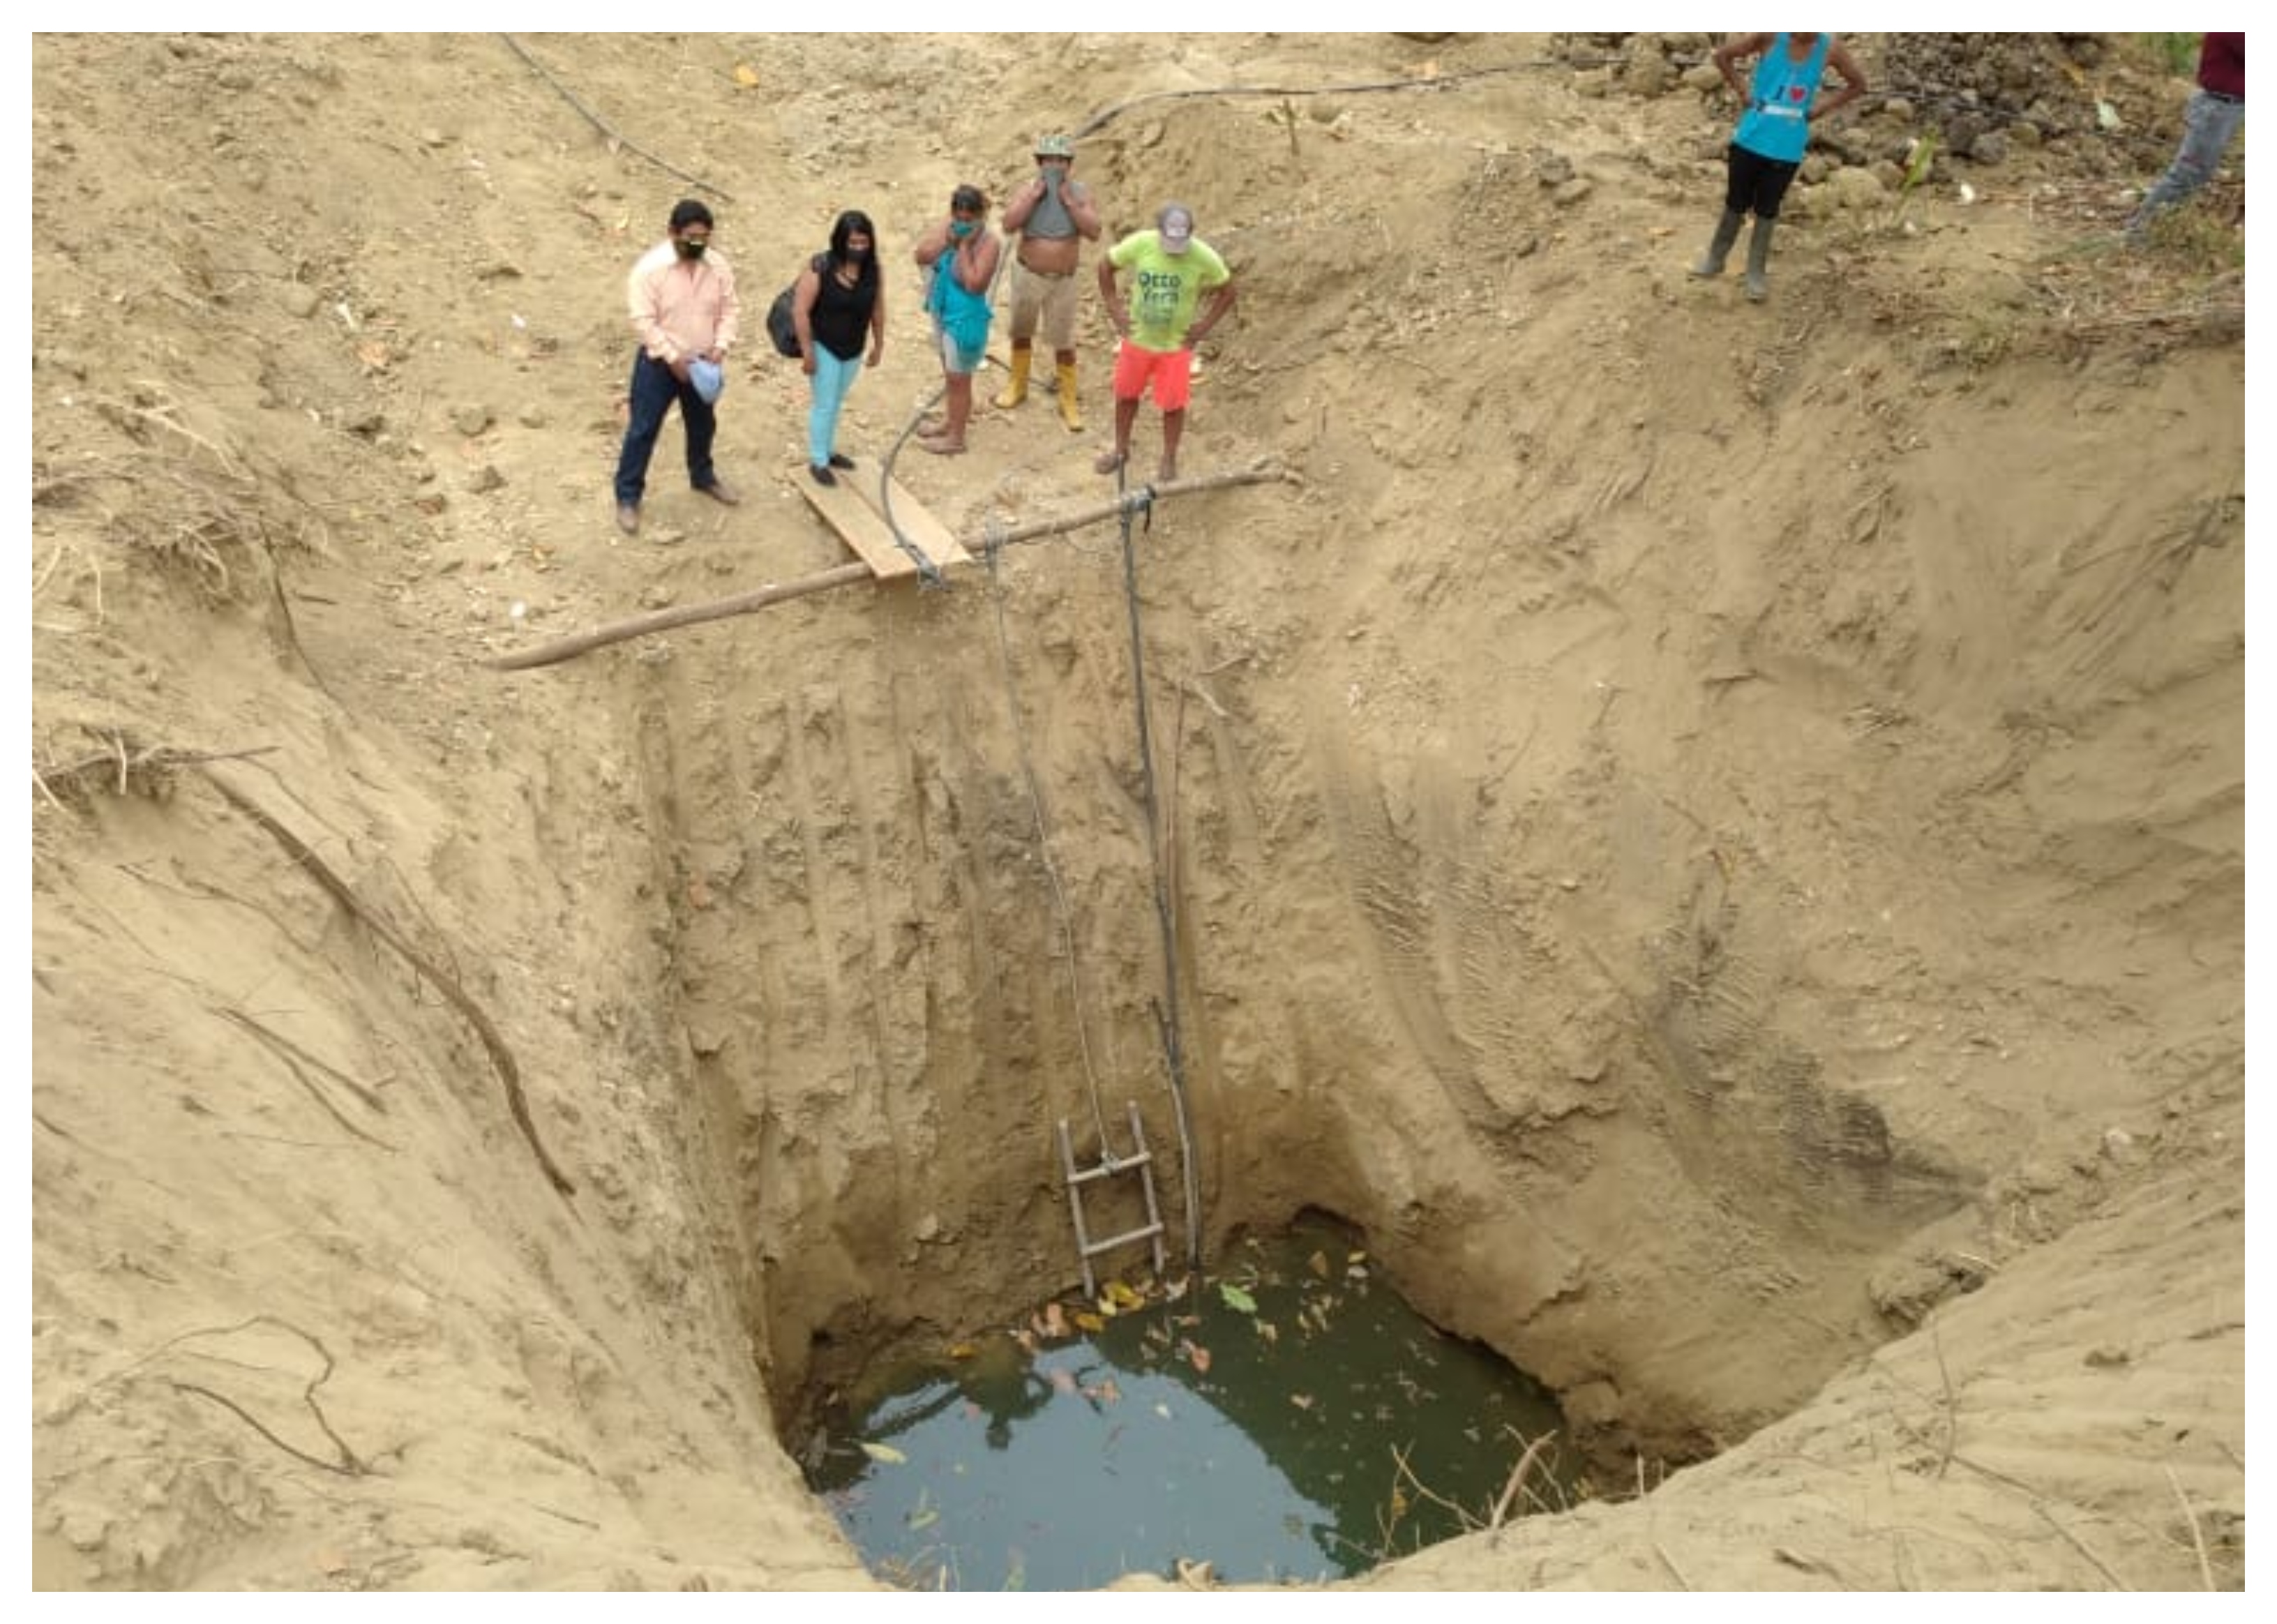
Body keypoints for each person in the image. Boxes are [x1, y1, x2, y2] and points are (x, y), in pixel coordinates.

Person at [1690, 33, 1868, 303]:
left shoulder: (1830, 49)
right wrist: (1742, 89)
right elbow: (1723, 56)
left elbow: (1858, 84)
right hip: (1751, 137)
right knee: (1736, 201)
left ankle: (1755, 272)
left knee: (1768, 208)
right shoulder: (1771, 36)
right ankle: (1716, 259)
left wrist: (1821, 108)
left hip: (1788, 145)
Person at [613, 198, 742, 534]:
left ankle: (703, 477)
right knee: (643, 429)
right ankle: (628, 496)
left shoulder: (717, 266)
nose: (698, 244)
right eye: (691, 237)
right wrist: (672, 358)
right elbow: (643, 321)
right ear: (672, 233)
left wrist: (720, 346)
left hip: (702, 363)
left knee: (703, 425)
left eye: (705, 238)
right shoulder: (650, 270)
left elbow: (730, 309)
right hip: (658, 365)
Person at [1095, 203, 1235, 483]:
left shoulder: (1203, 256)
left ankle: (1169, 457)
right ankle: (1121, 450)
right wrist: (1115, 309)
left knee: (1173, 405)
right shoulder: (1141, 244)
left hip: (1175, 347)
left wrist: (1202, 328)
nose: (1174, 249)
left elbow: (1228, 291)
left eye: (1181, 243)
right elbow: (1105, 266)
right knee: (1126, 396)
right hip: (1138, 340)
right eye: (1169, 242)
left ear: (1191, 233)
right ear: (1159, 230)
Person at [993, 133, 1104, 432]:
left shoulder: (1080, 193)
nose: (1055, 166)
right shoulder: (1028, 189)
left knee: (1064, 340)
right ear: (1040, 163)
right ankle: (1017, 385)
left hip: (1063, 281)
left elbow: (1094, 231)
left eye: (1061, 161)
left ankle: (1068, 399)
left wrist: (1071, 204)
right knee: (1021, 330)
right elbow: (1009, 224)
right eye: (1049, 160)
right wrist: (1033, 197)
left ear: (1069, 165)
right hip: (1029, 274)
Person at [791, 210, 885, 487]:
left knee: (836, 400)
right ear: (841, 240)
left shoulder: (873, 270)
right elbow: (800, 311)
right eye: (852, 242)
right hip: (824, 346)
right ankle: (819, 460)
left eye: (863, 243)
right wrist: (808, 352)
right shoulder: (820, 267)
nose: (858, 248)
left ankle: (829, 450)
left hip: (854, 348)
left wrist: (879, 344)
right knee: (825, 403)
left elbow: (878, 308)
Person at [2128, 33, 2245, 240]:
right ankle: (2139, 231)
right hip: (2218, 107)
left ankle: (2157, 228)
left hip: (2228, 105)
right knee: (2189, 173)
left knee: (2194, 172)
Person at [912, 184, 1000, 456]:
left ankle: (956, 438)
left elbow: (975, 284)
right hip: (945, 312)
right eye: (958, 216)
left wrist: (963, 247)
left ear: (981, 216)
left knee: (960, 379)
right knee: (951, 376)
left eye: (968, 218)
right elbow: (922, 255)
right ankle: (950, 423)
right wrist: (948, 240)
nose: (962, 222)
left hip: (965, 321)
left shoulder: (990, 243)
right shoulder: (950, 227)